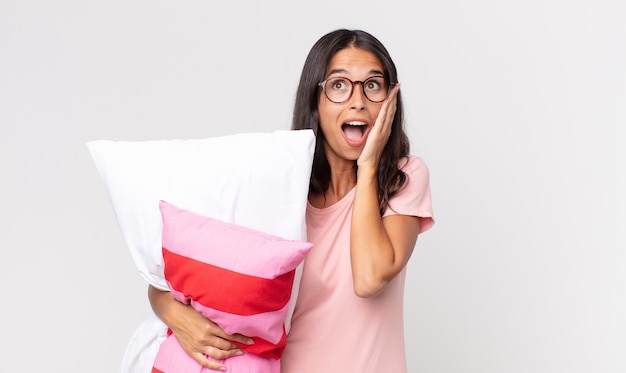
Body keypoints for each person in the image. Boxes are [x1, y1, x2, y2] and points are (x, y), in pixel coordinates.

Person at [148, 28, 434, 372]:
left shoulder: (403, 178)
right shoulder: (279, 190)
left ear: (390, 99)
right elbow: (170, 280)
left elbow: (370, 278)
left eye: (372, 86)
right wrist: (171, 312)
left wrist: (369, 165)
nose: (358, 101)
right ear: (315, 100)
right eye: (339, 85)